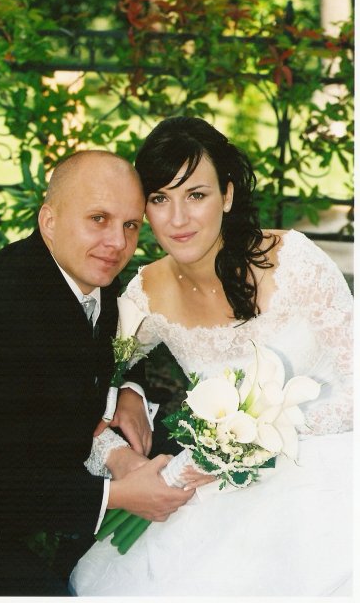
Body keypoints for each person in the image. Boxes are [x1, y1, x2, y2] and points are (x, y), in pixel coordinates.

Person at [70, 118, 354, 597]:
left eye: (196, 195)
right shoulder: (146, 294)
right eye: (160, 199)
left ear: (227, 195)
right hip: (218, 482)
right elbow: (79, 387)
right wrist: (118, 446)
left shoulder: (295, 260)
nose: (178, 219)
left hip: (332, 465)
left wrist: (254, 440)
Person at [0, 150, 196, 595]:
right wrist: (116, 496)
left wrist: (128, 390)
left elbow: (114, 347)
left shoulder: (87, 273)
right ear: (49, 220)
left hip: (33, 483)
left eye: (130, 225)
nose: (117, 243)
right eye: (98, 219)